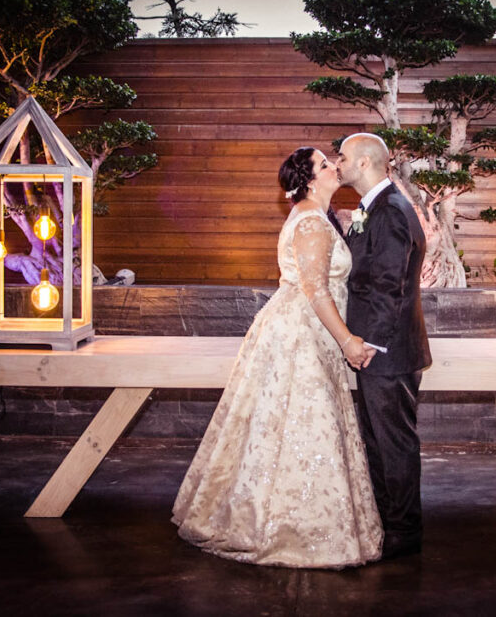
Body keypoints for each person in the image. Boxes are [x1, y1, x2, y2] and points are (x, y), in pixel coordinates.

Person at [172, 146, 383, 569]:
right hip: (301, 334)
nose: (334, 167)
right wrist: (347, 341)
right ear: (309, 180)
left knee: (293, 424)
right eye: (325, 164)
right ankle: (290, 529)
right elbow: (316, 290)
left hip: (306, 329)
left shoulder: (315, 215)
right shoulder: (311, 222)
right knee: (304, 418)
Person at [336, 133, 432, 560]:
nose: (337, 164)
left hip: (387, 351)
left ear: (363, 163)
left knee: (394, 444)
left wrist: (369, 343)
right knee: (377, 441)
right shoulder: (374, 206)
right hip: (381, 350)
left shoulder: (390, 210)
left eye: (342, 157)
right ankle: (385, 521)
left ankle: (404, 532)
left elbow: (389, 284)